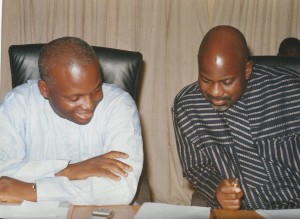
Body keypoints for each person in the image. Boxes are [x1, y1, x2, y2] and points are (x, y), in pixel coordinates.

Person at [0, 37, 143, 205]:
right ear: (44, 89)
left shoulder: (119, 105)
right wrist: (72, 170)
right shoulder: (17, 104)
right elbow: (3, 171)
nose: (89, 105)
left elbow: (121, 190)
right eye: (75, 98)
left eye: (96, 90)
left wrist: (35, 191)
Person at [172, 25, 300, 210]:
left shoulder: (292, 92)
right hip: (241, 213)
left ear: (247, 70)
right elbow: (197, 168)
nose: (215, 93)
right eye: (206, 80)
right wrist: (217, 189)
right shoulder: (187, 106)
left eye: (227, 82)